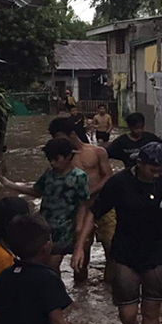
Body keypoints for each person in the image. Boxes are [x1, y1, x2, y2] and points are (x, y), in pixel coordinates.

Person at [72, 142, 162, 324]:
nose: (156, 175)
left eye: (160, 171)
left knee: (152, 311)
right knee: (128, 314)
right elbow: (93, 212)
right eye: (152, 170)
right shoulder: (119, 183)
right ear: (140, 163)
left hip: (157, 252)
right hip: (125, 253)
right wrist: (79, 246)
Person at [0, 138, 91, 275]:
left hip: (65, 229)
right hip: (44, 227)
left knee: (52, 266)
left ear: (69, 156)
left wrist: (79, 227)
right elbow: (36, 191)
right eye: (50, 159)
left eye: (56, 159)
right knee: (42, 266)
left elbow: (83, 204)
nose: (52, 163)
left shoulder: (79, 177)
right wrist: (9, 184)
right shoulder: (49, 174)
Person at [50, 117, 114, 284]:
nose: (56, 141)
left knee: (111, 249)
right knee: (81, 253)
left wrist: (90, 192)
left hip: (103, 206)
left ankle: (108, 290)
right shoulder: (63, 160)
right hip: (80, 210)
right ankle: (81, 292)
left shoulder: (97, 152)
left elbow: (108, 176)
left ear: (72, 134)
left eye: (59, 137)